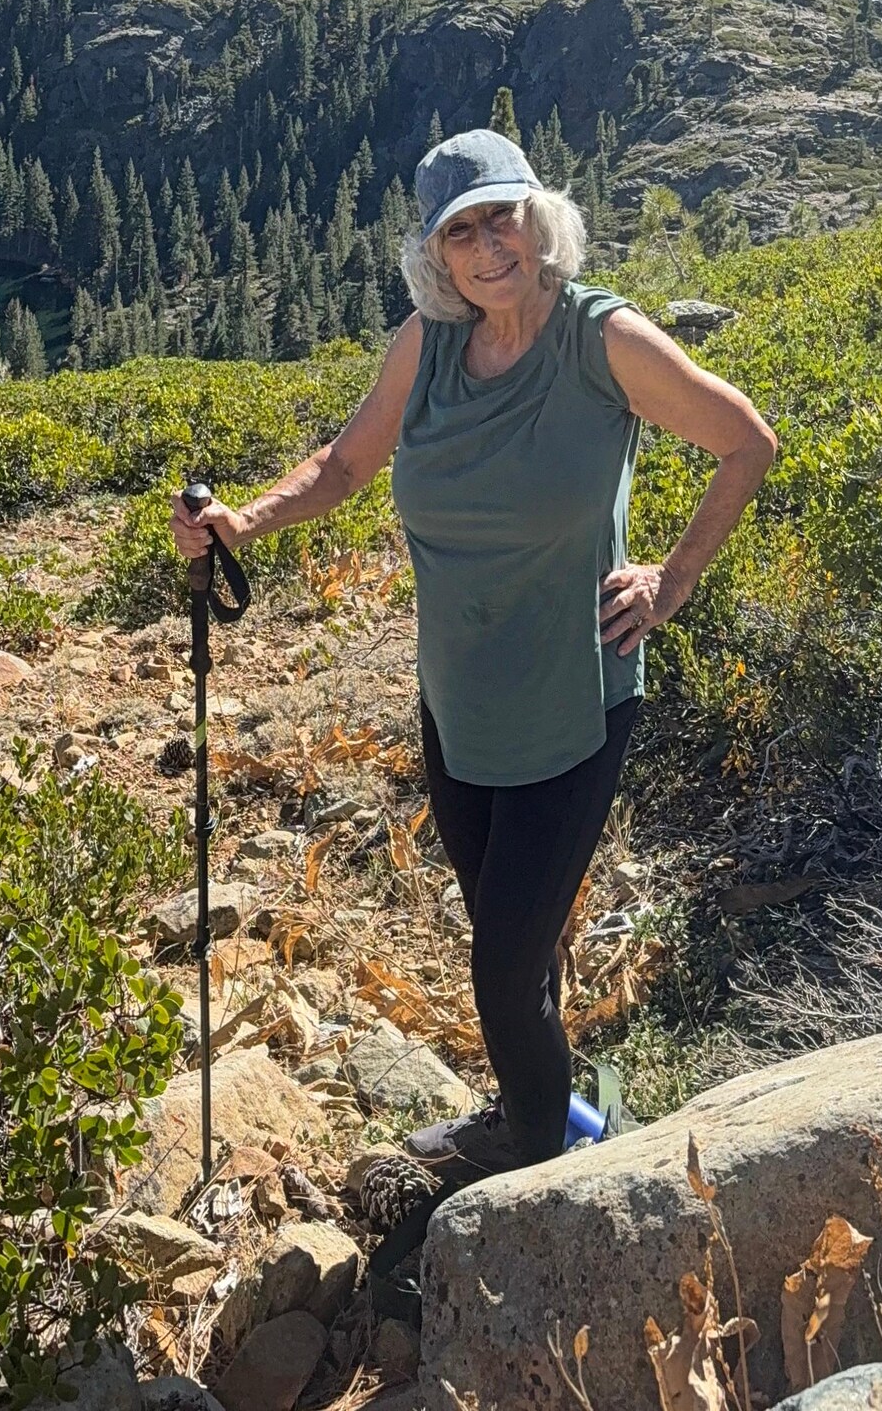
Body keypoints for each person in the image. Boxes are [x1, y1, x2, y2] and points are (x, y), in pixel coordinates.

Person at [175, 127, 778, 1178]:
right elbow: (345, 464)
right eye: (462, 231)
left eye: (504, 216)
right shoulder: (430, 343)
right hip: (459, 708)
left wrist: (671, 581)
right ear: (436, 257)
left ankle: (530, 1161)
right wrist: (244, 520)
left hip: (574, 701)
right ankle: (553, 1101)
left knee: (498, 971)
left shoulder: (602, 339)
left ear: (540, 222)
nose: (489, 244)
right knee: (517, 943)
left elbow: (746, 441)